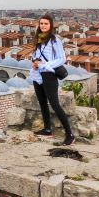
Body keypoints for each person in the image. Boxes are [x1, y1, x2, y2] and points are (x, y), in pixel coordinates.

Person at [29, 13, 75, 146]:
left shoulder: (55, 40)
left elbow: (62, 59)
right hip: (37, 74)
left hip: (49, 75)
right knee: (42, 102)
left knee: (55, 105)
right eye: (41, 23)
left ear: (50, 25)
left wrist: (45, 65)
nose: (43, 26)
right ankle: (48, 129)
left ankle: (69, 134)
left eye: (46, 24)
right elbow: (36, 55)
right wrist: (34, 61)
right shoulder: (38, 39)